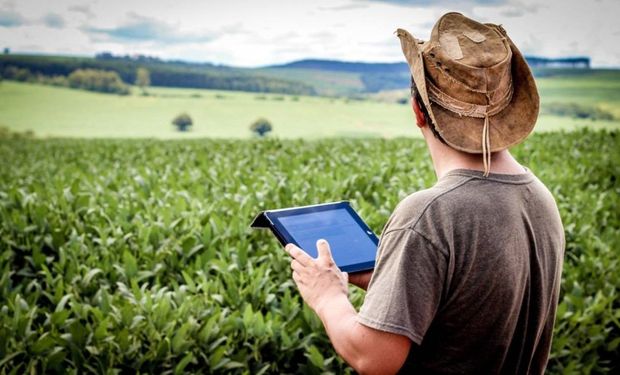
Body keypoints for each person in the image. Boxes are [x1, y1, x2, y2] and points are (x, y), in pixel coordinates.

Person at [285, 12, 565, 374]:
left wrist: (327, 296)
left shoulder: (431, 213)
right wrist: (383, 280)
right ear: (509, 109)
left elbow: (374, 359)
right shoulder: (539, 197)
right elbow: (471, 304)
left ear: (419, 110)